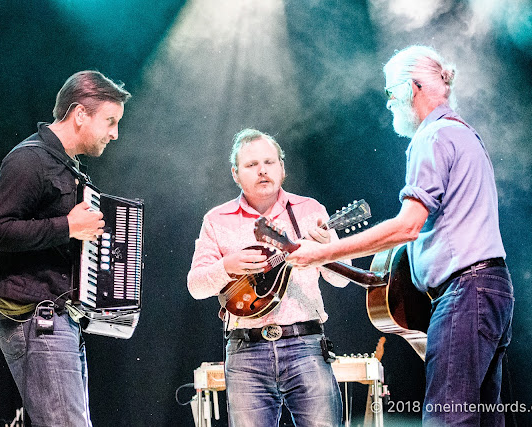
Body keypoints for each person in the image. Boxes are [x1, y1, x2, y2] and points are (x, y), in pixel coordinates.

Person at [287, 45, 514, 426]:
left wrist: (319, 254)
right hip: (493, 290)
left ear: (412, 88)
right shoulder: (465, 135)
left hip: (466, 292)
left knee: (446, 420)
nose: (389, 104)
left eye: (391, 93)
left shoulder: (431, 138)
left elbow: (406, 226)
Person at [0, 70, 131, 426]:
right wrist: (67, 227)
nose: (114, 133)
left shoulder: (68, 167)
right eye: (110, 121)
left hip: (58, 317)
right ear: (80, 115)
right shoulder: (29, 160)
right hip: (33, 316)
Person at [187, 128, 350, 426]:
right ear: (236, 174)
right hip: (245, 351)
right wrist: (227, 265)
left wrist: (328, 250)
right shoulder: (216, 220)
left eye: (269, 162)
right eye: (251, 165)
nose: (262, 170)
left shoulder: (310, 210)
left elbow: (341, 279)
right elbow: (195, 285)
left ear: (282, 168)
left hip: (306, 346)